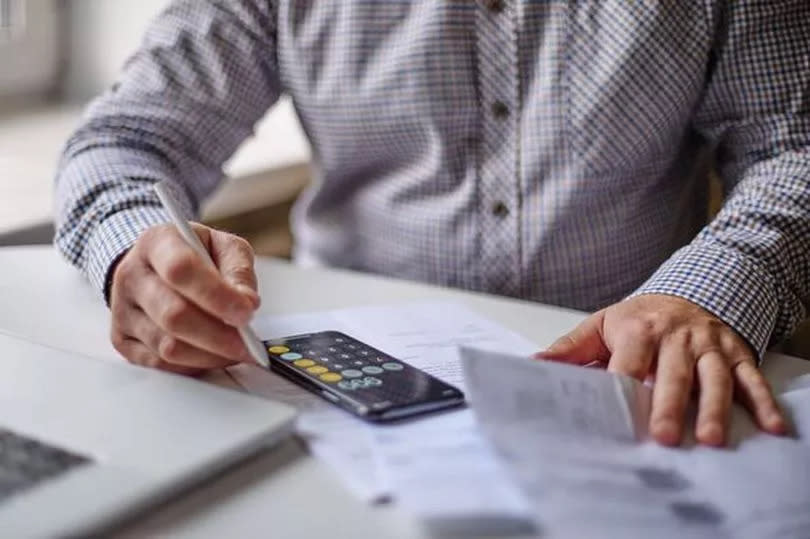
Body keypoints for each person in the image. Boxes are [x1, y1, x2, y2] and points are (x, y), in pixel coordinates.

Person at [55, 0, 809, 447]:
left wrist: (710, 291)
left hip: (626, 392)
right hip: (329, 399)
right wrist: (134, 253)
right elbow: (126, 140)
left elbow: (795, 148)